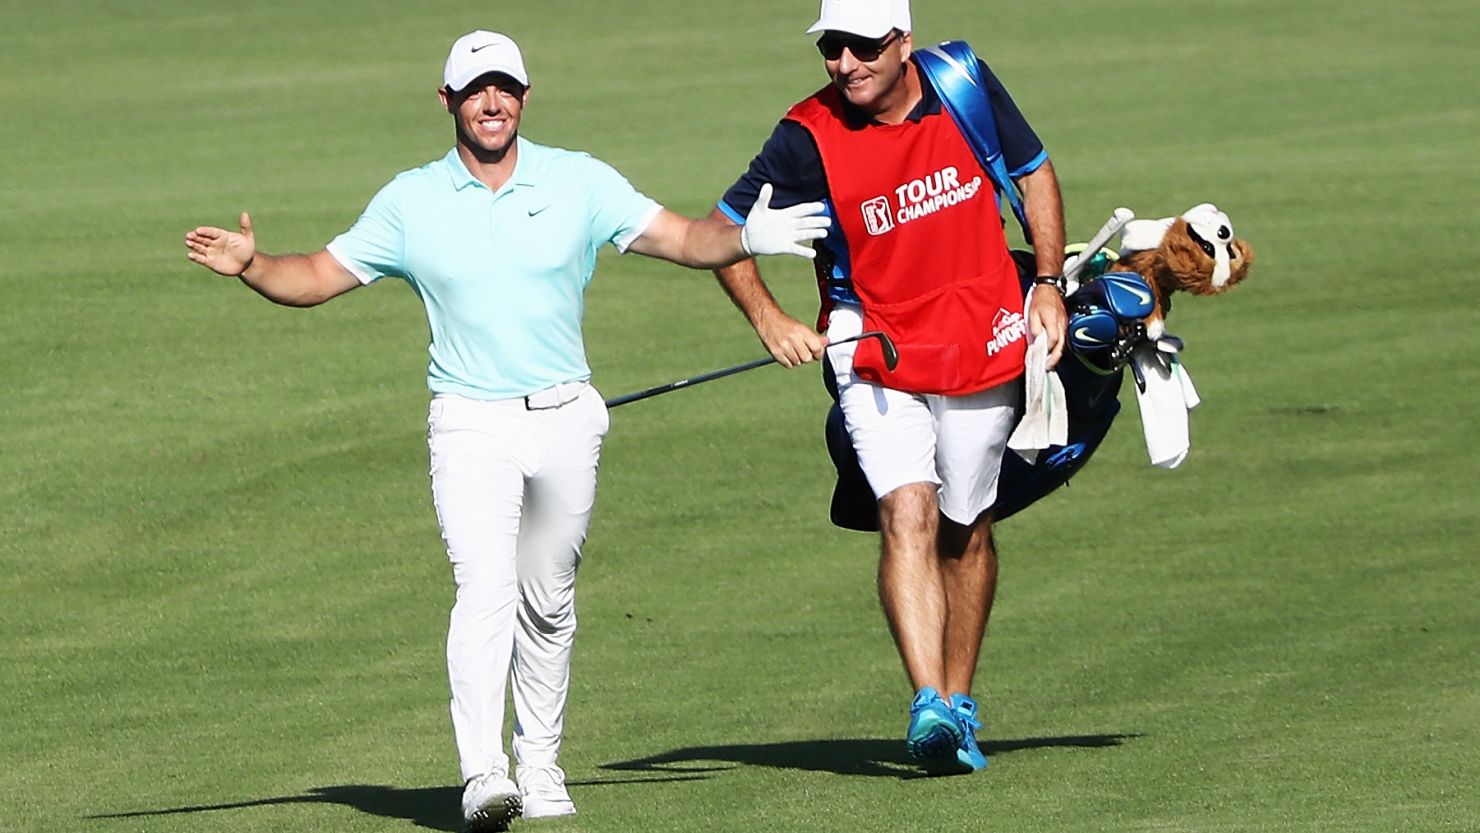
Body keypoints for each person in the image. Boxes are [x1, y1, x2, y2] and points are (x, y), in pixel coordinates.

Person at [184, 30, 827, 831]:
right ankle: (484, 773)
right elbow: (315, 277)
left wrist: (744, 239)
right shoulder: (411, 200)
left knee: (548, 601)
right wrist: (253, 263)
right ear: (447, 102)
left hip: (565, 418)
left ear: (524, 95)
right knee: (484, 589)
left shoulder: (578, 180)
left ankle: (542, 762)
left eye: (505, 88)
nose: (492, 103)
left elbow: (686, 239)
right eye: (475, 91)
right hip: (469, 425)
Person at [709, 0, 1067, 775]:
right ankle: (929, 701)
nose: (844, 63)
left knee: (967, 524)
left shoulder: (963, 82)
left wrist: (1045, 282)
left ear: (903, 41)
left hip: (983, 340)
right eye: (831, 47)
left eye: (862, 46)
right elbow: (722, 231)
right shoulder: (806, 134)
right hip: (871, 347)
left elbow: (1034, 172)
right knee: (909, 507)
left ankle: (960, 702)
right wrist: (771, 320)